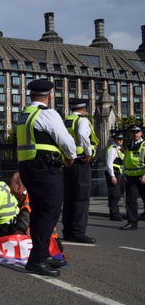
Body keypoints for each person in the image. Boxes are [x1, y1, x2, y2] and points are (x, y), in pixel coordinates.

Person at [17, 79, 76, 277]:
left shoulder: (25, 115)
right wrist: (71, 156)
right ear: (49, 96)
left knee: (39, 212)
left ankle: (42, 253)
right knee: (49, 211)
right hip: (45, 168)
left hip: (28, 167)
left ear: (31, 95)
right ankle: (37, 259)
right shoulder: (47, 114)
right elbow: (65, 139)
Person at [62, 98, 98, 244]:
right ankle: (78, 231)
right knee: (81, 197)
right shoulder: (82, 121)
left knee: (69, 197)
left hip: (67, 162)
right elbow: (83, 135)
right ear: (84, 109)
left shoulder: (66, 121)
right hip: (81, 161)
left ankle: (68, 230)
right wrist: (88, 152)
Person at [120, 125, 145, 231]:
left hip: (142, 177)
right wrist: (123, 174)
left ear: (141, 133)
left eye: (137, 132)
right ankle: (132, 222)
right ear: (130, 134)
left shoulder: (144, 145)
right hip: (130, 177)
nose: (135, 134)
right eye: (133, 132)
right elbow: (126, 161)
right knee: (130, 201)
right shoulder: (128, 145)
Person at [105, 132, 124, 222]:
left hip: (119, 174)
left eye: (121, 139)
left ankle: (115, 213)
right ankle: (114, 214)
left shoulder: (119, 149)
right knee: (114, 195)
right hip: (114, 174)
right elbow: (109, 163)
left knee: (117, 194)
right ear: (114, 140)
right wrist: (112, 176)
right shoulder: (112, 149)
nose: (121, 141)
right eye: (119, 139)